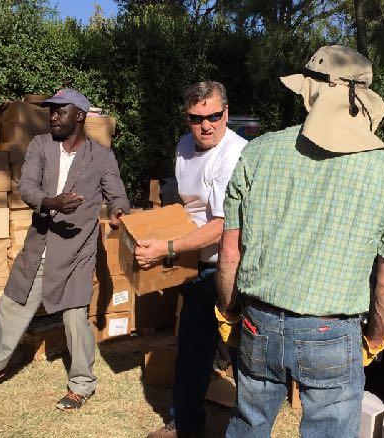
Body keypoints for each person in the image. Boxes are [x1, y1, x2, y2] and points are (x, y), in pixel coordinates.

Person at [216, 45, 384, 437]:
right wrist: (374, 339)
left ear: (309, 93)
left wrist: (228, 313)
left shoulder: (258, 153)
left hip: (260, 323)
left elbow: (229, 254)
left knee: (249, 423)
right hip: (333, 330)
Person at [0, 89, 130, 411]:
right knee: (12, 306)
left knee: (75, 316)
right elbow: (26, 187)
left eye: (59, 111)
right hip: (39, 245)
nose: (52, 117)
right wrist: (51, 202)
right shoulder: (40, 145)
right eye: (50, 111)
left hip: (78, 250)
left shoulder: (101, 156)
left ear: (79, 116)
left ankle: (82, 384)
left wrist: (119, 211)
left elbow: (116, 194)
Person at [137, 81, 247, 438]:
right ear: (187, 118)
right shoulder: (185, 146)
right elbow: (185, 205)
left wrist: (168, 247)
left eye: (214, 116)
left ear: (226, 113)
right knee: (192, 347)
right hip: (192, 262)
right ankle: (184, 425)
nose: (206, 125)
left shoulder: (234, 154)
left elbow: (222, 226)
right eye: (196, 118)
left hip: (229, 265)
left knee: (242, 352)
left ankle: (246, 427)